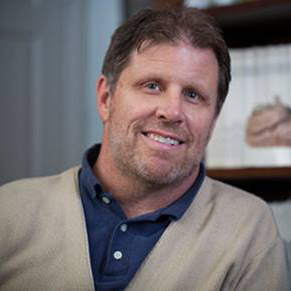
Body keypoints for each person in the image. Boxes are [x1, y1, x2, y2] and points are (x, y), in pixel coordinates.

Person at [0, 7, 289, 291]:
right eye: (152, 86)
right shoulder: (9, 210)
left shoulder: (250, 229)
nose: (172, 111)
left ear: (213, 121)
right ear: (105, 99)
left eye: (193, 95)